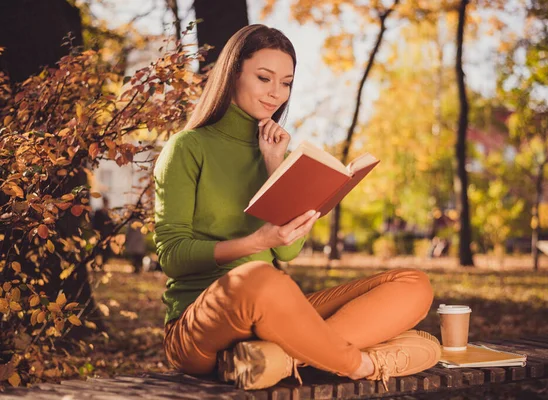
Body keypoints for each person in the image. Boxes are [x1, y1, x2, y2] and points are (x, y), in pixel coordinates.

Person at [153, 24, 440, 392]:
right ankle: (360, 364)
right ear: (233, 72)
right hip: (199, 326)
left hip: (275, 313)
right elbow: (173, 257)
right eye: (264, 78)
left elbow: (288, 250)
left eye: (286, 83)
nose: (276, 93)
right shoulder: (187, 148)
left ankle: (277, 358)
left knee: (412, 283)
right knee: (259, 278)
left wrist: (276, 167)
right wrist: (256, 242)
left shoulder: (277, 153)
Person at [91, 195, 115, 264]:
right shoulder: (98, 212)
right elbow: (95, 223)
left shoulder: (109, 212)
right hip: (100, 234)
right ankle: (96, 263)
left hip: (107, 234)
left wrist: (112, 233)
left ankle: (103, 264)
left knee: (106, 251)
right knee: (98, 249)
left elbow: (112, 224)